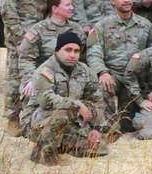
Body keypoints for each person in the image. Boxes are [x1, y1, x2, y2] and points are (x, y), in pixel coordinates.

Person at [0, 0, 50, 137]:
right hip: (19, 36)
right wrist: (20, 39)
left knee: (36, 74)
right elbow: (7, 10)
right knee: (15, 76)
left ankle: (33, 115)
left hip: (39, 33)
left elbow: (46, 4)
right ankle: (11, 118)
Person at [86, 0, 152, 134]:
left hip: (136, 78)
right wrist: (102, 72)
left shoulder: (145, 25)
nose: (126, 0)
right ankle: (109, 129)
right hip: (114, 76)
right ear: (113, 0)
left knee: (129, 124)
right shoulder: (102, 26)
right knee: (102, 88)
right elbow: (93, 52)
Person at [25, 32, 108, 165]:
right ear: (57, 50)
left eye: (76, 51)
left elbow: (96, 100)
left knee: (100, 149)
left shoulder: (85, 71)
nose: (72, 55)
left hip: (72, 121)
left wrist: (96, 128)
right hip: (40, 119)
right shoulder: (46, 70)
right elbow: (45, 100)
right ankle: (46, 152)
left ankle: (60, 143)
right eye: (68, 50)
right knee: (62, 114)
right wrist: (77, 105)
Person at [17, 0, 86, 135]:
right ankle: (35, 127)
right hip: (44, 77)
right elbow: (26, 58)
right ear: (54, 8)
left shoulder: (77, 29)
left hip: (69, 77)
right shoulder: (37, 30)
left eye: (72, 4)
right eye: (67, 5)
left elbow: (82, 58)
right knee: (34, 94)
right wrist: (31, 79)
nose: (72, 8)